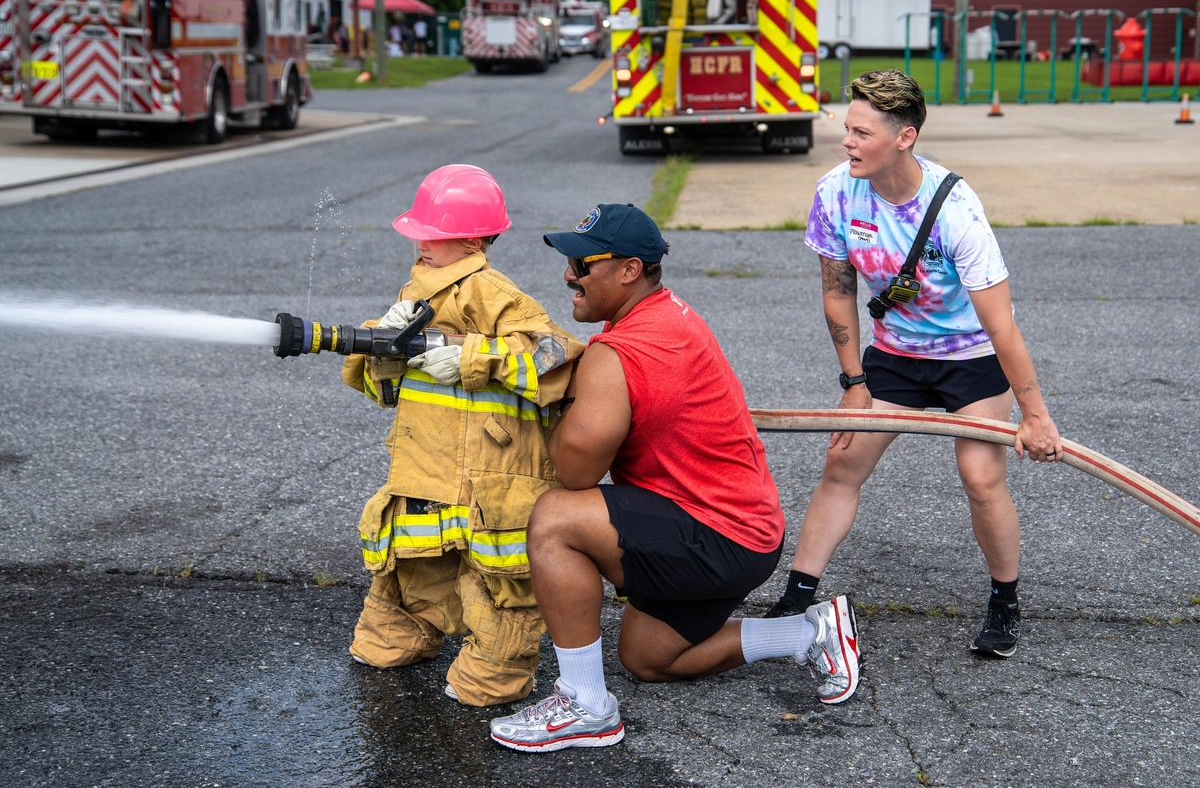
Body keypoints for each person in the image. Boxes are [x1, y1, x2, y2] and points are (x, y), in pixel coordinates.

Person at [488, 204, 864, 753]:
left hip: (718, 534)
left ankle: (585, 705)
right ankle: (809, 634)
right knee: (649, 658)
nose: (568, 274)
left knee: (555, 520)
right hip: (749, 532)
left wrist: (552, 399)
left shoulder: (619, 352)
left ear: (629, 270)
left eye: (581, 263)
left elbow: (574, 472)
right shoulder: (668, 314)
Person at [763, 69, 1061, 660]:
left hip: (969, 360)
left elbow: (1001, 326)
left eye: (861, 132)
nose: (847, 141)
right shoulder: (835, 192)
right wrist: (853, 382)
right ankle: (798, 595)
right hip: (894, 357)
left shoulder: (956, 211)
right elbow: (837, 290)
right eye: (846, 129)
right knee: (842, 461)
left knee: (981, 478)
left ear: (904, 137)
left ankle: (1005, 600)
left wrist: (1036, 415)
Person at [343, 165, 585, 707]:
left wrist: (473, 357)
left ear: (473, 239)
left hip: (489, 477)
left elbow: (558, 357)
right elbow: (383, 394)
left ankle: (496, 673)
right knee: (410, 566)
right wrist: (382, 344)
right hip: (426, 466)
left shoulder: (498, 295)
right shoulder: (418, 290)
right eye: (419, 233)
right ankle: (401, 637)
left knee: (498, 586)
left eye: (433, 234)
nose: (420, 243)